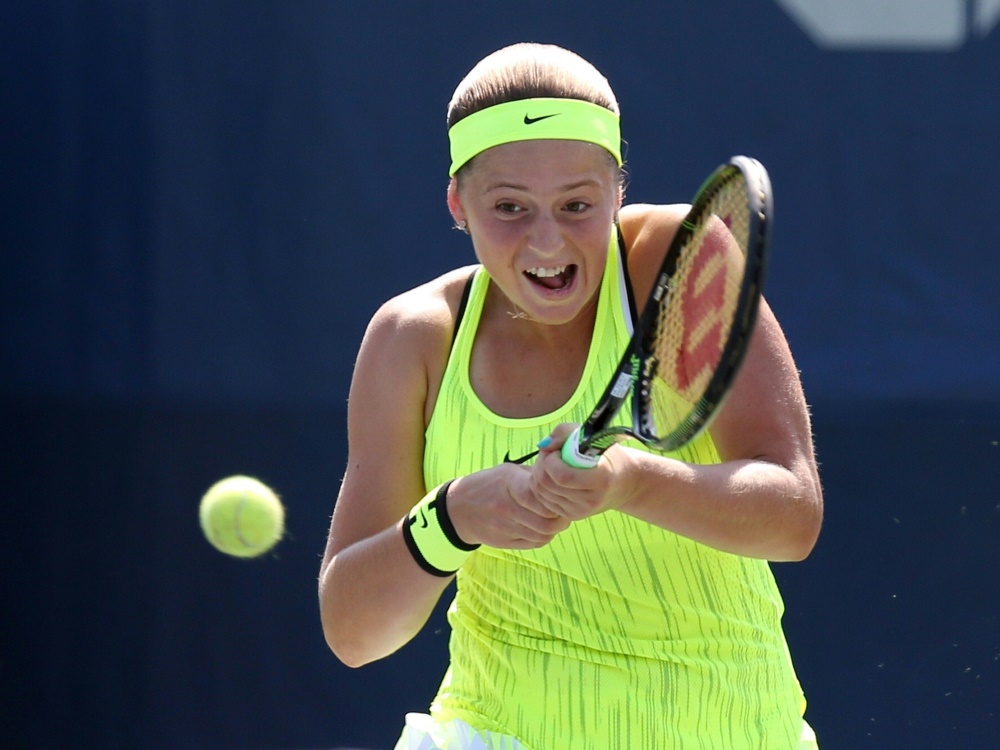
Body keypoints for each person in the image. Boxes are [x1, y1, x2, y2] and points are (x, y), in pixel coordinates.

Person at [318, 42, 823, 750]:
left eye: (577, 203)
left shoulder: (678, 262)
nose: (547, 239)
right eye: (510, 207)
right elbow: (353, 631)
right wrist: (454, 517)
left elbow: (792, 516)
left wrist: (630, 482)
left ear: (618, 190)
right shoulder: (414, 339)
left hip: (734, 730)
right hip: (494, 733)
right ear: (457, 205)